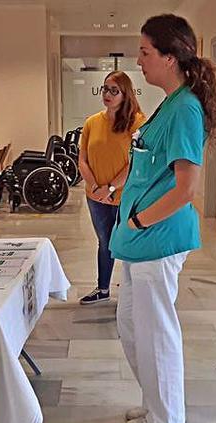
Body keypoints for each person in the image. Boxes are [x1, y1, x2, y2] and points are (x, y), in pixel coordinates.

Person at [109, 14, 216, 423]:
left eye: (145, 52)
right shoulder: (170, 104)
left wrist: (139, 219)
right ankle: (155, 403)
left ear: (170, 56)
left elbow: (185, 188)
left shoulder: (185, 111)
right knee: (130, 324)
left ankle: (166, 417)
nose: (139, 60)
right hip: (141, 240)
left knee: (155, 330)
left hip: (156, 238)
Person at [77, 71, 145, 305]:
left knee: (126, 242)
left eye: (114, 90)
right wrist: (96, 187)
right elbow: (82, 159)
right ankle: (103, 288)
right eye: (105, 89)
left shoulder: (137, 122)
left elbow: (135, 162)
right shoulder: (92, 122)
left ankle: (132, 291)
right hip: (95, 196)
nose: (107, 94)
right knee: (104, 242)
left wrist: (111, 187)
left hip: (125, 196)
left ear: (125, 94)